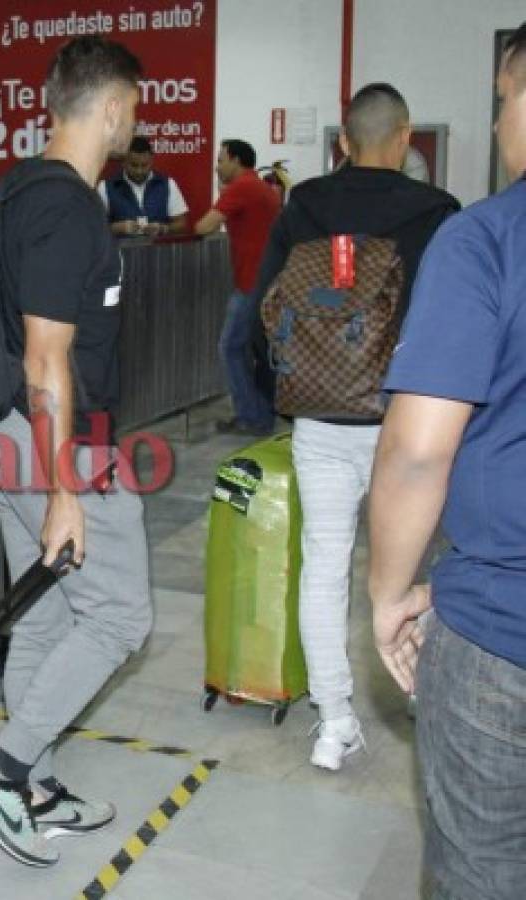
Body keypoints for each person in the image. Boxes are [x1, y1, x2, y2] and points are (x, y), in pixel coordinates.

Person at [0, 36, 152, 868]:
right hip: (51, 445)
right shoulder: (66, 207)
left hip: (3, 436)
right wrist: (67, 483)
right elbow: (45, 356)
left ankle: (31, 783)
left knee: (42, 613)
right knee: (118, 616)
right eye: (134, 107)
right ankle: (0, 774)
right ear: (108, 107)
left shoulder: (16, 192)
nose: (135, 121)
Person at [250, 83, 459, 772]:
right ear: (402, 139)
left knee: (323, 568)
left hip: (319, 415)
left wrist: (273, 393)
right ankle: (421, 697)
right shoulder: (435, 212)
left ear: (342, 141)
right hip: (407, 424)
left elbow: (262, 307)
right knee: (415, 570)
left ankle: (332, 724)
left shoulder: (303, 204)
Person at [368, 22, 526, 898]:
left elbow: (418, 453)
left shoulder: (486, 240)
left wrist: (391, 593)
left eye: (501, 100)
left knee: (482, 873)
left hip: (502, 634)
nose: (500, 123)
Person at [194, 139, 281, 435]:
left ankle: (252, 416)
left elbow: (203, 226)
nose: (217, 166)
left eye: (221, 160)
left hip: (251, 283)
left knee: (230, 347)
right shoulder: (261, 188)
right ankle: (260, 413)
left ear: (235, 160)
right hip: (266, 281)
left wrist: (222, 196)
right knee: (255, 351)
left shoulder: (242, 187)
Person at [100, 135, 189, 236]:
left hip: (158, 250)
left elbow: (182, 225)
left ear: (152, 161)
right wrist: (117, 228)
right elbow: (94, 228)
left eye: (144, 165)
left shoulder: (168, 184)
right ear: (123, 162)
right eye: (134, 165)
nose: (139, 171)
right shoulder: (105, 187)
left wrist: (163, 228)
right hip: (119, 251)